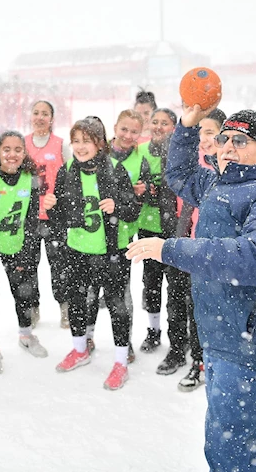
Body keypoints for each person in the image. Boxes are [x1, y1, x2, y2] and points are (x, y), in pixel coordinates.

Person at [128, 107, 256, 471]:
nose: (227, 147)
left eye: (240, 140)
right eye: (224, 138)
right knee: (244, 435)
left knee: (227, 447)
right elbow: (179, 174)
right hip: (222, 332)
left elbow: (255, 258)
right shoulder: (220, 182)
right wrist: (188, 126)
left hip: (252, 339)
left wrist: (170, 248)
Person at [49, 116, 141, 390]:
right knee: (77, 301)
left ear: (99, 143)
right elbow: (60, 219)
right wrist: (53, 207)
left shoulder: (115, 169)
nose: (79, 146)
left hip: (111, 251)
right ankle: (80, 349)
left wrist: (118, 207)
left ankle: (121, 362)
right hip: (78, 249)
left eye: (86, 141)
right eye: (75, 141)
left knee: (116, 306)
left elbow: (133, 209)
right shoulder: (66, 170)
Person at [0, 131, 48, 374]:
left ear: (24, 153)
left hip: (15, 243)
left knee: (22, 293)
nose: (12, 155)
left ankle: (26, 335)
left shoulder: (30, 178)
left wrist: (27, 249)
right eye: (7, 149)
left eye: (17, 150)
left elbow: (32, 216)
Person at [86, 109, 147, 362]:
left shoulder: (140, 159)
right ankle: (87, 336)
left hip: (122, 236)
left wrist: (140, 192)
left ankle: (125, 341)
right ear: (115, 128)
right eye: (124, 129)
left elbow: (140, 201)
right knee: (90, 290)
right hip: (94, 235)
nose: (128, 135)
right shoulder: (100, 154)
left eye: (134, 131)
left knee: (121, 295)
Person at [176, 108, 225, 392]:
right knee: (195, 308)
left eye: (210, 132)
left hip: (220, 251)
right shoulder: (191, 166)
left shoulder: (227, 166)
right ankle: (198, 361)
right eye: (200, 133)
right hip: (192, 247)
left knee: (221, 311)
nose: (204, 139)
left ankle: (221, 366)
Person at [136, 108, 187, 370]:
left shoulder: (179, 153)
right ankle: (153, 330)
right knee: (151, 282)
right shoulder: (141, 150)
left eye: (164, 123)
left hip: (175, 230)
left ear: (175, 127)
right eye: (154, 122)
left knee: (177, 288)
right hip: (147, 227)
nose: (157, 127)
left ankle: (179, 340)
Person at [24, 100, 73, 328]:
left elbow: (72, 178)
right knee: (28, 265)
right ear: (30, 116)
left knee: (60, 266)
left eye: (45, 113)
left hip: (55, 216)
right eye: (36, 113)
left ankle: (65, 307)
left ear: (52, 118)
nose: (40, 117)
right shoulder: (22, 144)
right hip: (29, 216)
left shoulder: (61, 145)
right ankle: (32, 309)